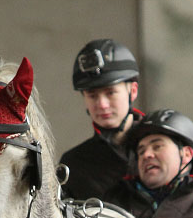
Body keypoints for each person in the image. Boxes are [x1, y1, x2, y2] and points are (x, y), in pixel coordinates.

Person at [59, 38, 144, 200]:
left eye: (110, 92)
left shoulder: (169, 146)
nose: (102, 105)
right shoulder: (74, 165)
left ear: (132, 91)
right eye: (92, 95)